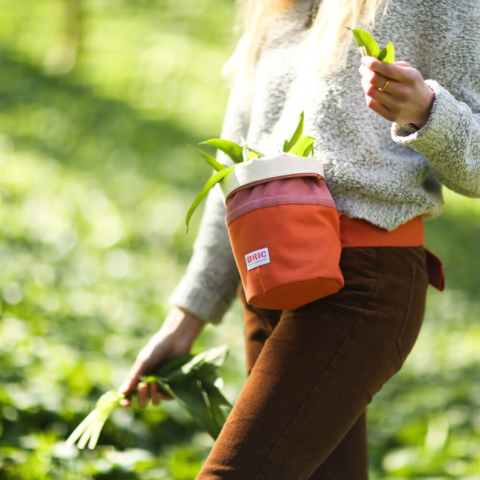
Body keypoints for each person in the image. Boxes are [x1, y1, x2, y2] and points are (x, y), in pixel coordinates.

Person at [118, 0, 480, 477]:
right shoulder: (275, 5)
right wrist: (185, 320)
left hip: (360, 285)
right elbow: (237, 174)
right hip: (267, 279)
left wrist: (428, 111)